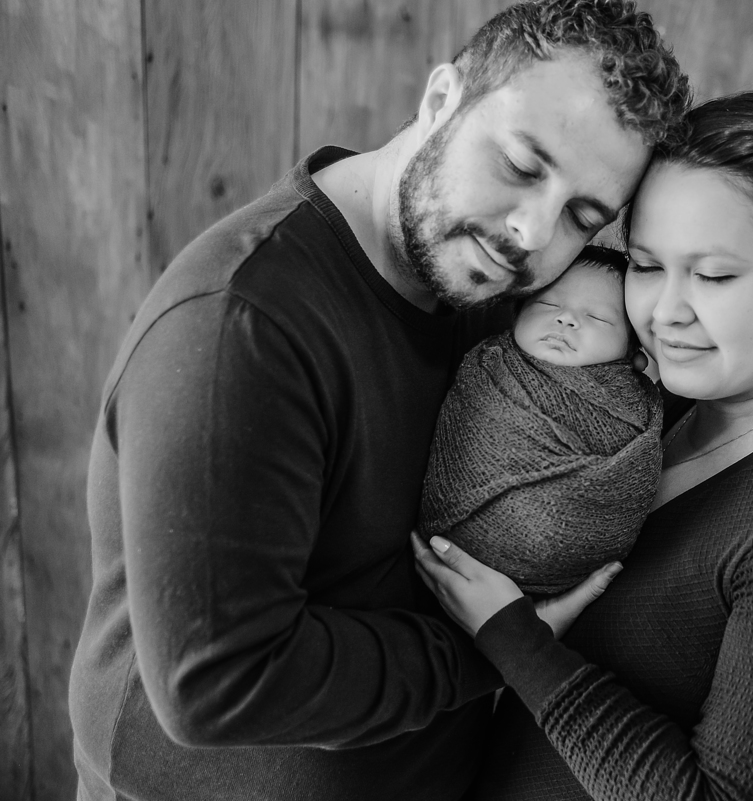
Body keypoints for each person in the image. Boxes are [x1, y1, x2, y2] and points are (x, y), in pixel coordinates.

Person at [67, 2, 690, 799]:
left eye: (581, 216)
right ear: (441, 99)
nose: (533, 232)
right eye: (521, 164)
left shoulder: (491, 289)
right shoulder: (242, 326)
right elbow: (218, 684)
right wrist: (498, 645)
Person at [413, 90, 753, 801]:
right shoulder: (648, 408)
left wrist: (516, 641)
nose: (665, 312)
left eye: (713, 275)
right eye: (647, 266)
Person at [418, 245, 663, 595]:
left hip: (562, 574)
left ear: (631, 351)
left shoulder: (631, 407)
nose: (566, 320)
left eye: (597, 318)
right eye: (548, 304)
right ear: (515, 314)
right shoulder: (488, 368)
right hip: (451, 550)